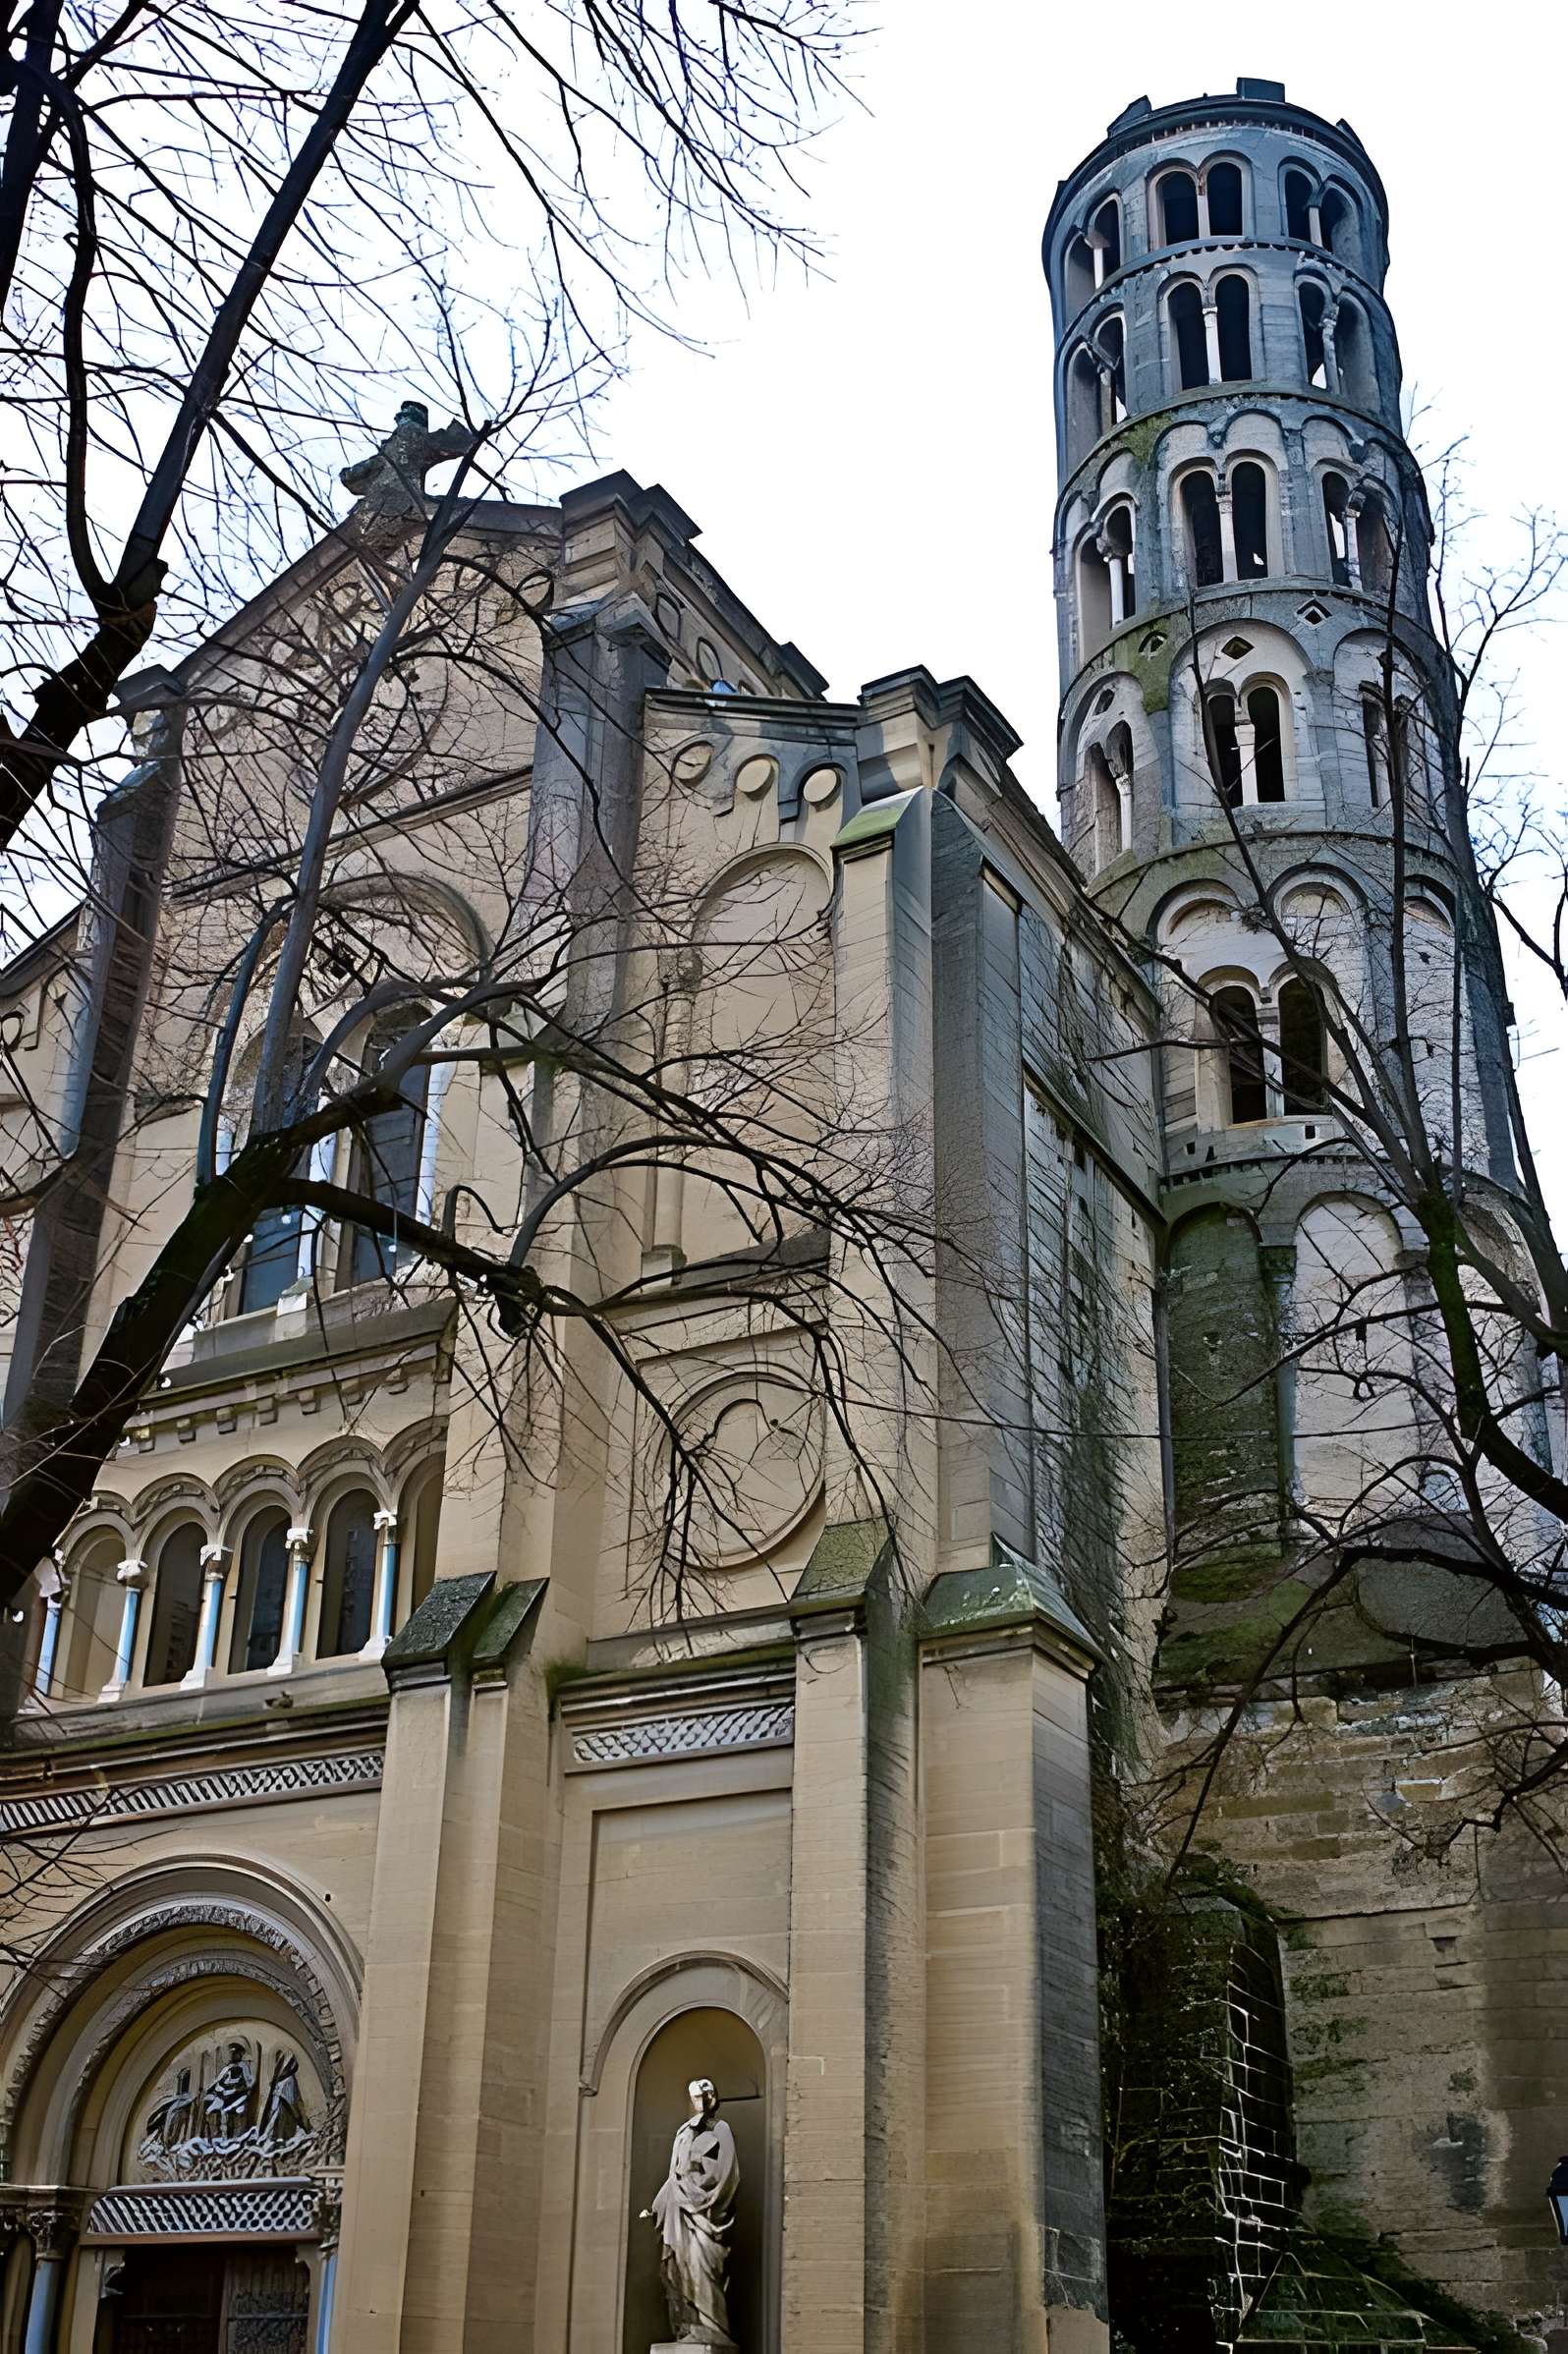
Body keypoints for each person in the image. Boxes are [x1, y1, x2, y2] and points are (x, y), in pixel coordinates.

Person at [641, 2078, 740, 2346]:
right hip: (678, 2210)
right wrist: (656, 2205)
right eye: (696, 2097)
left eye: (706, 2096)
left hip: (704, 2213)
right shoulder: (683, 2132)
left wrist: (703, 2193)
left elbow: (728, 2172)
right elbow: (674, 2175)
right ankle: (687, 2324)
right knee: (678, 2267)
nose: (702, 2101)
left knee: (700, 2265)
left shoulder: (721, 2129)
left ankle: (710, 2327)